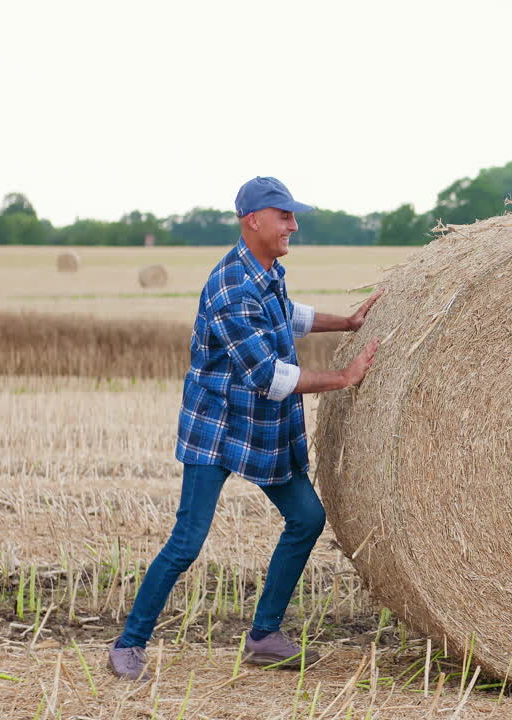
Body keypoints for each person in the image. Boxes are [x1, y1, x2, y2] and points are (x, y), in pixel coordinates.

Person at [107, 176, 381, 681]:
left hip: (260, 425)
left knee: (306, 518)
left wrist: (346, 323)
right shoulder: (231, 286)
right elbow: (268, 376)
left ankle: (263, 636)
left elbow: (286, 316)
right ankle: (129, 643)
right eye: (285, 216)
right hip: (216, 426)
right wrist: (344, 378)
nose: (293, 225)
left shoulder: (266, 271)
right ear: (253, 219)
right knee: (187, 542)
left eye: (293, 216)